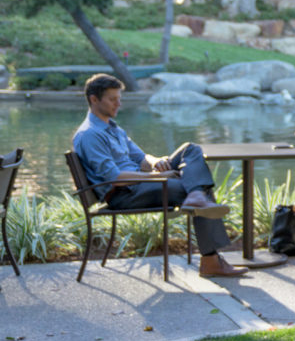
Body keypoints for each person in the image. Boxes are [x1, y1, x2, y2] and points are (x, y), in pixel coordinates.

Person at [73, 74, 247, 277]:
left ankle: (197, 198)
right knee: (194, 186)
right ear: (94, 99)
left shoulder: (113, 128)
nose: (119, 104)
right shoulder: (90, 134)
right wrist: (158, 178)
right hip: (124, 193)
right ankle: (210, 260)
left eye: (119, 98)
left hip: (139, 183)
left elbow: (140, 157)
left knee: (190, 150)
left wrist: (156, 163)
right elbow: (115, 177)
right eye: (113, 99)